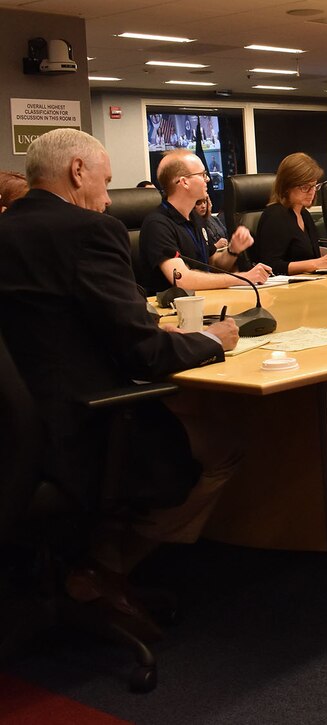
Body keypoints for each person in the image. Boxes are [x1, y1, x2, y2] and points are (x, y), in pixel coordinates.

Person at [0, 128, 242, 635]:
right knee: (224, 442)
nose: (110, 199)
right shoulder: (90, 231)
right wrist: (214, 340)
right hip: (83, 427)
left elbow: (58, 322)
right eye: (106, 183)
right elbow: (146, 353)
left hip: (18, 427)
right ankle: (104, 569)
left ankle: (80, 558)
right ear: (77, 172)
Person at [138, 150, 270, 295]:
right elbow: (182, 280)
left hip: (205, 300)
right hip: (173, 311)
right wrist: (243, 278)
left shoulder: (195, 218)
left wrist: (233, 250)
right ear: (184, 182)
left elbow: (213, 264)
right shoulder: (157, 224)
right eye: (202, 174)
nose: (207, 179)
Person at [251, 153, 327, 275]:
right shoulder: (275, 216)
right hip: (282, 290)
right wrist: (316, 263)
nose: (312, 192)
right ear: (287, 186)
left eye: (314, 185)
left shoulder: (305, 215)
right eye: (305, 187)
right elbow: (270, 266)